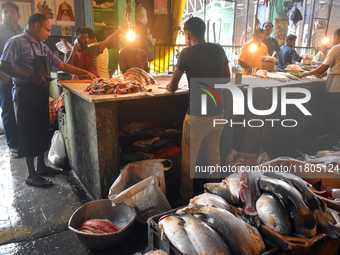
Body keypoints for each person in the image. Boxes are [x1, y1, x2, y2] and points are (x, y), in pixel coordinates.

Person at [0, 13, 96, 187]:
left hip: (40, 93)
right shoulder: (16, 42)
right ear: (37, 26)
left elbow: (63, 65)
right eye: (47, 29)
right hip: (25, 93)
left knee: (42, 130)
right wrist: (30, 77)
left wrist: (85, 73)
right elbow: (4, 66)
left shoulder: (42, 47)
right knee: (28, 132)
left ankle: (41, 166)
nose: (49, 34)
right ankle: (31, 174)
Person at [166, 17, 230, 202]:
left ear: (187, 34)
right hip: (218, 114)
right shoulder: (218, 50)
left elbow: (172, 86)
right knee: (213, 155)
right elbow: (226, 80)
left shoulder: (186, 53)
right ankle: (215, 196)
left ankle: (186, 199)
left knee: (189, 161)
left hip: (197, 116)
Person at [303, 28, 340, 131]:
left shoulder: (336, 48)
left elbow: (324, 67)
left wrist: (308, 73)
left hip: (335, 88)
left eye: (333, 37)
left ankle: (334, 143)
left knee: (334, 116)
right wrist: (325, 73)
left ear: (336, 37)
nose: (332, 40)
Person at [0, 2, 24, 158]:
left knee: (23, 111)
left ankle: (24, 141)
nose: (8, 14)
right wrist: (2, 74)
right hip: (5, 78)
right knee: (8, 109)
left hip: (23, 79)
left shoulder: (24, 32)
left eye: (11, 12)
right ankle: (13, 144)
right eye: (5, 12)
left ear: (18, 15)